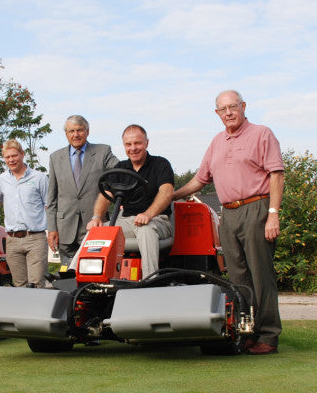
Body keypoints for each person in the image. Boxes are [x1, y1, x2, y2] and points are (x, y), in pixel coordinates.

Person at [173, 90, 284, 355]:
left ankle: (268, 336)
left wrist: (273, 213)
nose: (229, 113)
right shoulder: (216, 142)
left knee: (261, 275)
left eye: (233, 107)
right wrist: (171, 195)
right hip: (228, 213)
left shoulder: (262, 134)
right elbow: (200, 180)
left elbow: (276, 175)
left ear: (244, 106)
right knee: (237, 278)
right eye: (223, 109)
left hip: (256, 207)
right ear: (217, 113)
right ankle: (247, 332)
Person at [86, 125, 174, 279]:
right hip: (127, 221)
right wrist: (96, 217)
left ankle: (150, 280)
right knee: (96, 232)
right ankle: (80, 276)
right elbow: (105, 194)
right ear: (124, 146)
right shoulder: (121, 168)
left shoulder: (160, 164)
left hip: (156, 220)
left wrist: (148, 214)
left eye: (137, 143)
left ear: (146, 143)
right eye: (128, 144)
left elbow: (166, 192)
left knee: (146, 229)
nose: (133, 148)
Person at [46, 115, 118, 266]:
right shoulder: (55, 158)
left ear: (87, 131)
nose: (76, 134)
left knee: (94, 270)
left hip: (95, 225)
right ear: (66, 134)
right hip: (65, 228)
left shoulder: (103, 152)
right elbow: (52, 198)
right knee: (68, 276)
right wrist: (52, 228)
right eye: (71, 131)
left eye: (80, 130)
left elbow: (120, 173)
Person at [0, 139, 49, 288]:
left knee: (36, 284)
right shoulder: (2, 179)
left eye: (14, 156)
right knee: (19, 285)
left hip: (35, 238)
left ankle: (38, 311)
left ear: (22, 154)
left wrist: (54, 231)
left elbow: (50, 206)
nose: (11, 160)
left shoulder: (39, 178)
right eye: (7, 157)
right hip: (12, 240)